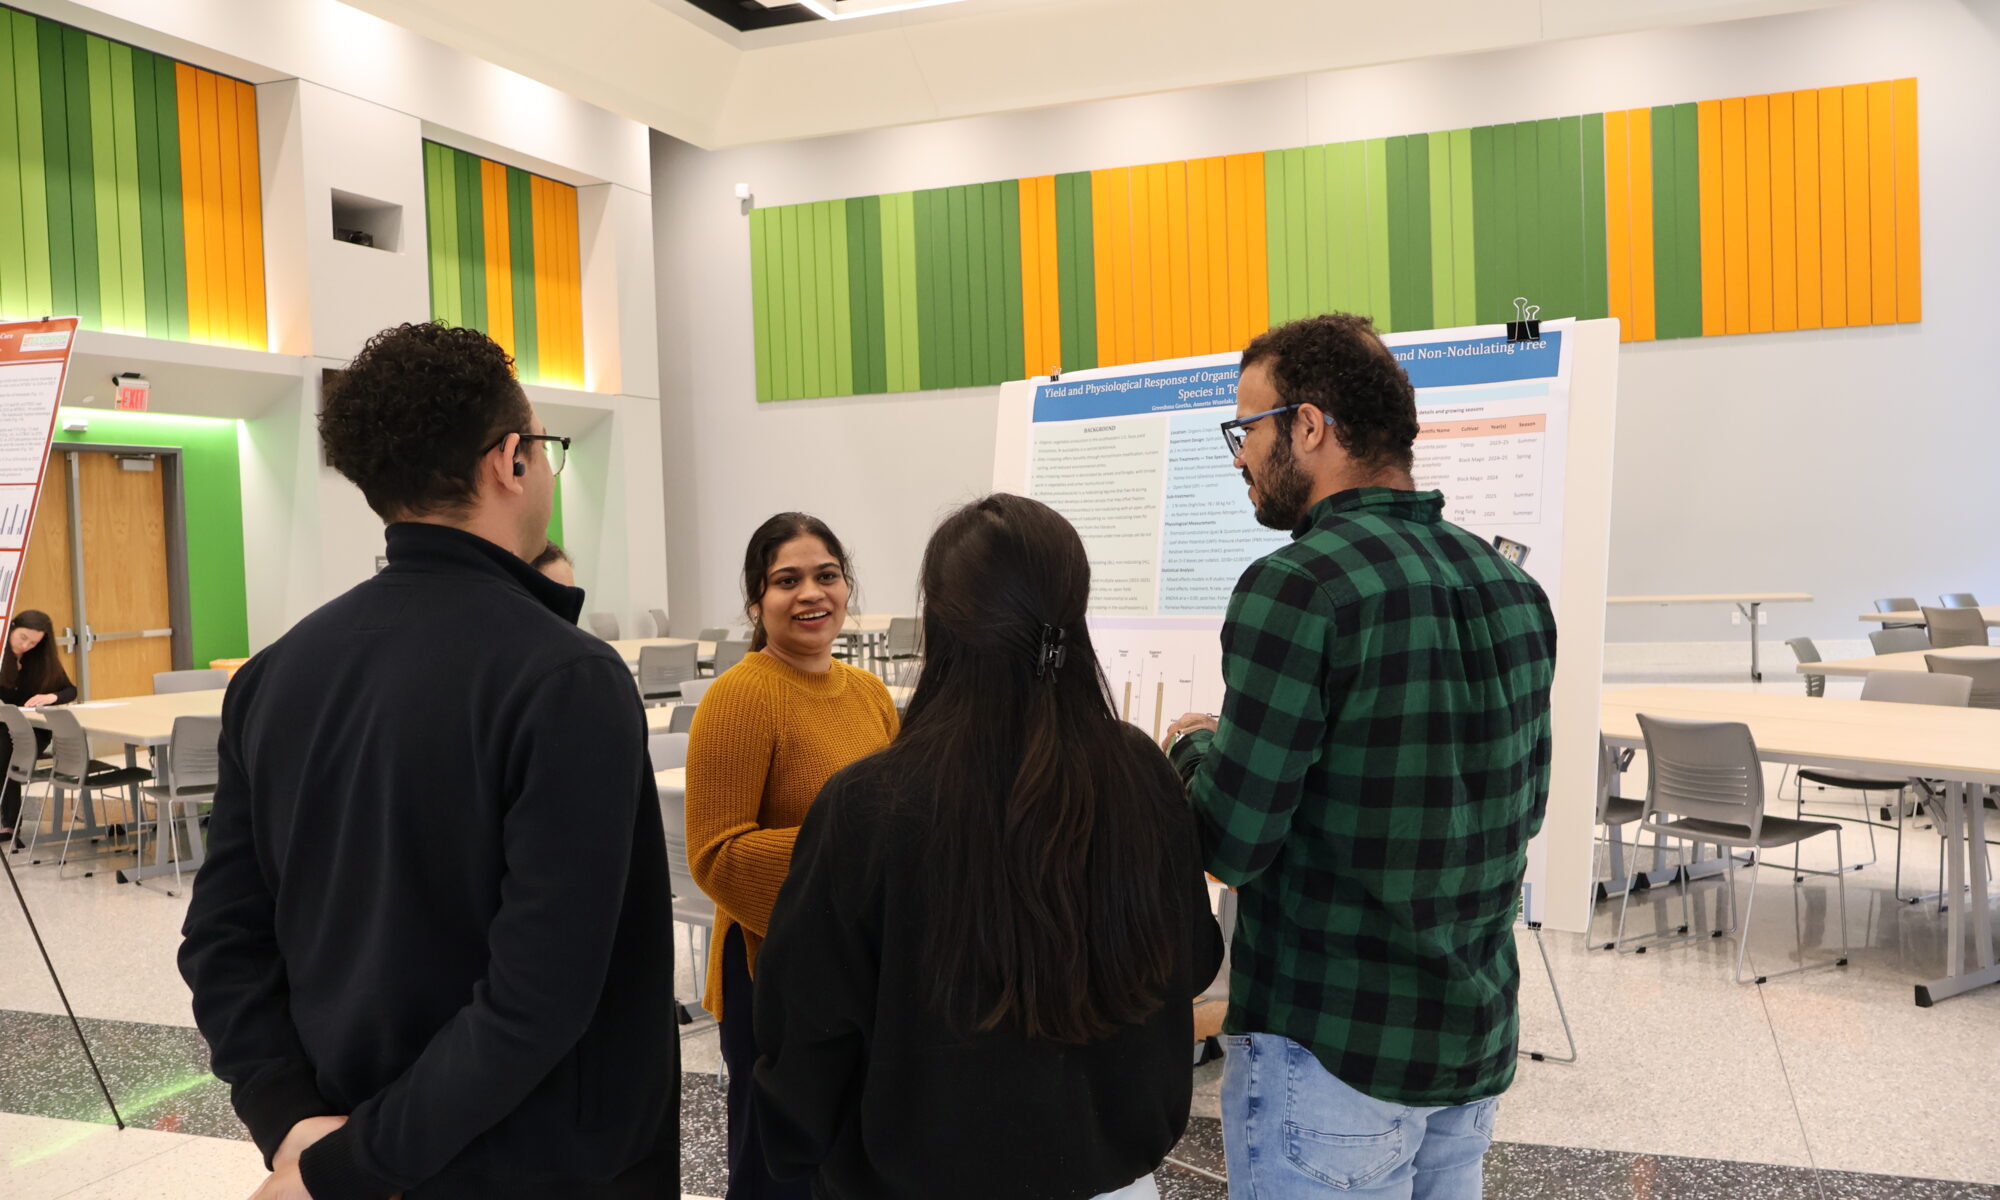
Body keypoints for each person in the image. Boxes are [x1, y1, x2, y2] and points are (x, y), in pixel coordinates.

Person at [178, 323, 678, 1200]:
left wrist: (296, 1125)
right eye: (547, 450)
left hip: (345, 1140)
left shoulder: (273, 675)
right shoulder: (567, 677)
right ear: (510, 460)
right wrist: (353, 1164)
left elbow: (223, 941)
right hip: (545, 1166)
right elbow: (541, 996)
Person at [1163, 313, 1557, 1200]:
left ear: (1308, 427)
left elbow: (1232, 840)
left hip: (1332, 1047)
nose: (1238, 456)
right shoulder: (1513, 588)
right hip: (1472, 1036)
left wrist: (1193, 747)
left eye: (1246, 429)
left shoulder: (1297, 587)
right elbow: (1521, 812)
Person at [752, 493, 1224, 1200]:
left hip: (919, 1179)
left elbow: (809, 1026)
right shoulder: (1138, 773)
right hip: (1113, 1176)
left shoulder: (871, 804)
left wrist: (804, 1153)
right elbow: (1190, 960)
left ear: (940, 621)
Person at [686, 512, 898, 1200]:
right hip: (773, 971)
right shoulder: (740, 696)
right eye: (788, 581)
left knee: (851, 1161)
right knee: (777, 1172)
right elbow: (716, 855)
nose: (812, 594)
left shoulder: (867, 692)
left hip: (857, 964)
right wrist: (851, 849)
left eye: (827, 576)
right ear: (757, 601)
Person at [0, 610, 78, 843]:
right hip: (4, 723)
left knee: (6, 755)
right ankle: (9, 823)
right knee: (3, 750)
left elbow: (70, 690)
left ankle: (10, 825)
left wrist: (50, 697)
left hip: (34, 727)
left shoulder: (41, 660)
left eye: (34, 642)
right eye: (22, 637)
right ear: (12, 629)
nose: (26, 645)